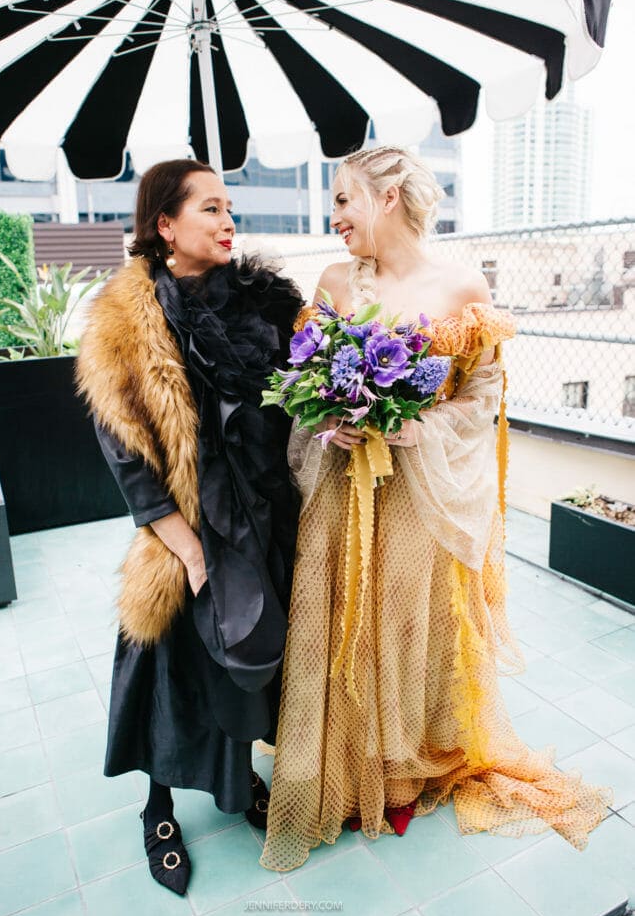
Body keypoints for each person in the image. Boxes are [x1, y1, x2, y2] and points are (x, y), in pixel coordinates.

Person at [260, 145, 610, 872]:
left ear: (386, 197)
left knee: (406, 623)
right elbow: (299, 380)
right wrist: (330, 422)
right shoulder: (331, 280)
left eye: (344, 199)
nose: (334, 217)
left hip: (417, 494)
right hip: (341, 490)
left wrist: (416, 427)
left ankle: (401, 770)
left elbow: (483, 397)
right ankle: (340, 767)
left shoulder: (460, 285)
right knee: (336, 620)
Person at [76, 159, 303, 895]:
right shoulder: (125, 324)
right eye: (209, 208)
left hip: (262, 517)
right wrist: (191, 553)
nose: (228, 220)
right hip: (183, 535)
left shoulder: (270, 307)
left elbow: (294, 411)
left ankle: (240, 790)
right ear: (165, 225)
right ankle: (158, 807)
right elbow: (128, 459)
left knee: (245, 663)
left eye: (229, 206)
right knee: (169, 675)